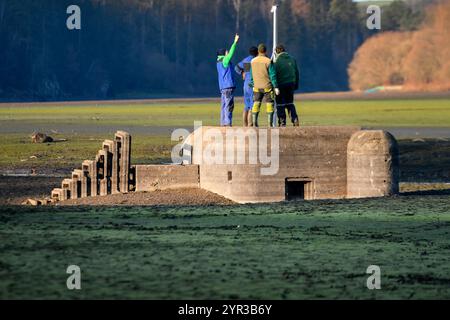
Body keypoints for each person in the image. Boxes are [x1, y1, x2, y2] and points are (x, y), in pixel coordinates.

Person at [250, 43, 279, 127]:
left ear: (258, 51)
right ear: (265, 51)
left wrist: (252, 83)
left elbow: (251, 75)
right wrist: (276, 86)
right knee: (269, 104)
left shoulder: (253, 61)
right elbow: (272, 75)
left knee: (256, 103)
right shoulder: (268, 61)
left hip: (256, 87)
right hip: (267, 87)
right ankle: (269, 124)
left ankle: (255, 122)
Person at [216, 34, 240, 127]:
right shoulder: (225, 61)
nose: (227, 53)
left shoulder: (218, 62)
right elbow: (231, 53)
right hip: (228, 87)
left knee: (223, 105)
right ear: (223, 54)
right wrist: (235, 42)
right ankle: (228, 123)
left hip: (222, 88)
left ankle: (223, 123)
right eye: (226, 52)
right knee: (229, 105)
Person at [274, 44, 300, 127]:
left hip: (281, 84)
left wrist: (275, 86)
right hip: (291, 84)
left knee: (280, 104)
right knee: (290, 103)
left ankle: (282, 122)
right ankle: (295, 119)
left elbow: (274, 74)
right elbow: (297, 73)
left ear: (277, 51)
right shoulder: (292, 59)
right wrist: (296, 84)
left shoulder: (276, 61)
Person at [235, 46, 258, 127]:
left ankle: (244, 125)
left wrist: (242, 73)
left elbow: (236, 67)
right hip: (252, 85)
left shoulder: (246, 60)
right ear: (257, 52)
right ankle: (250, 124)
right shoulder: (256, 60)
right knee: (252, 105)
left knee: (246, 106)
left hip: (245, 85)